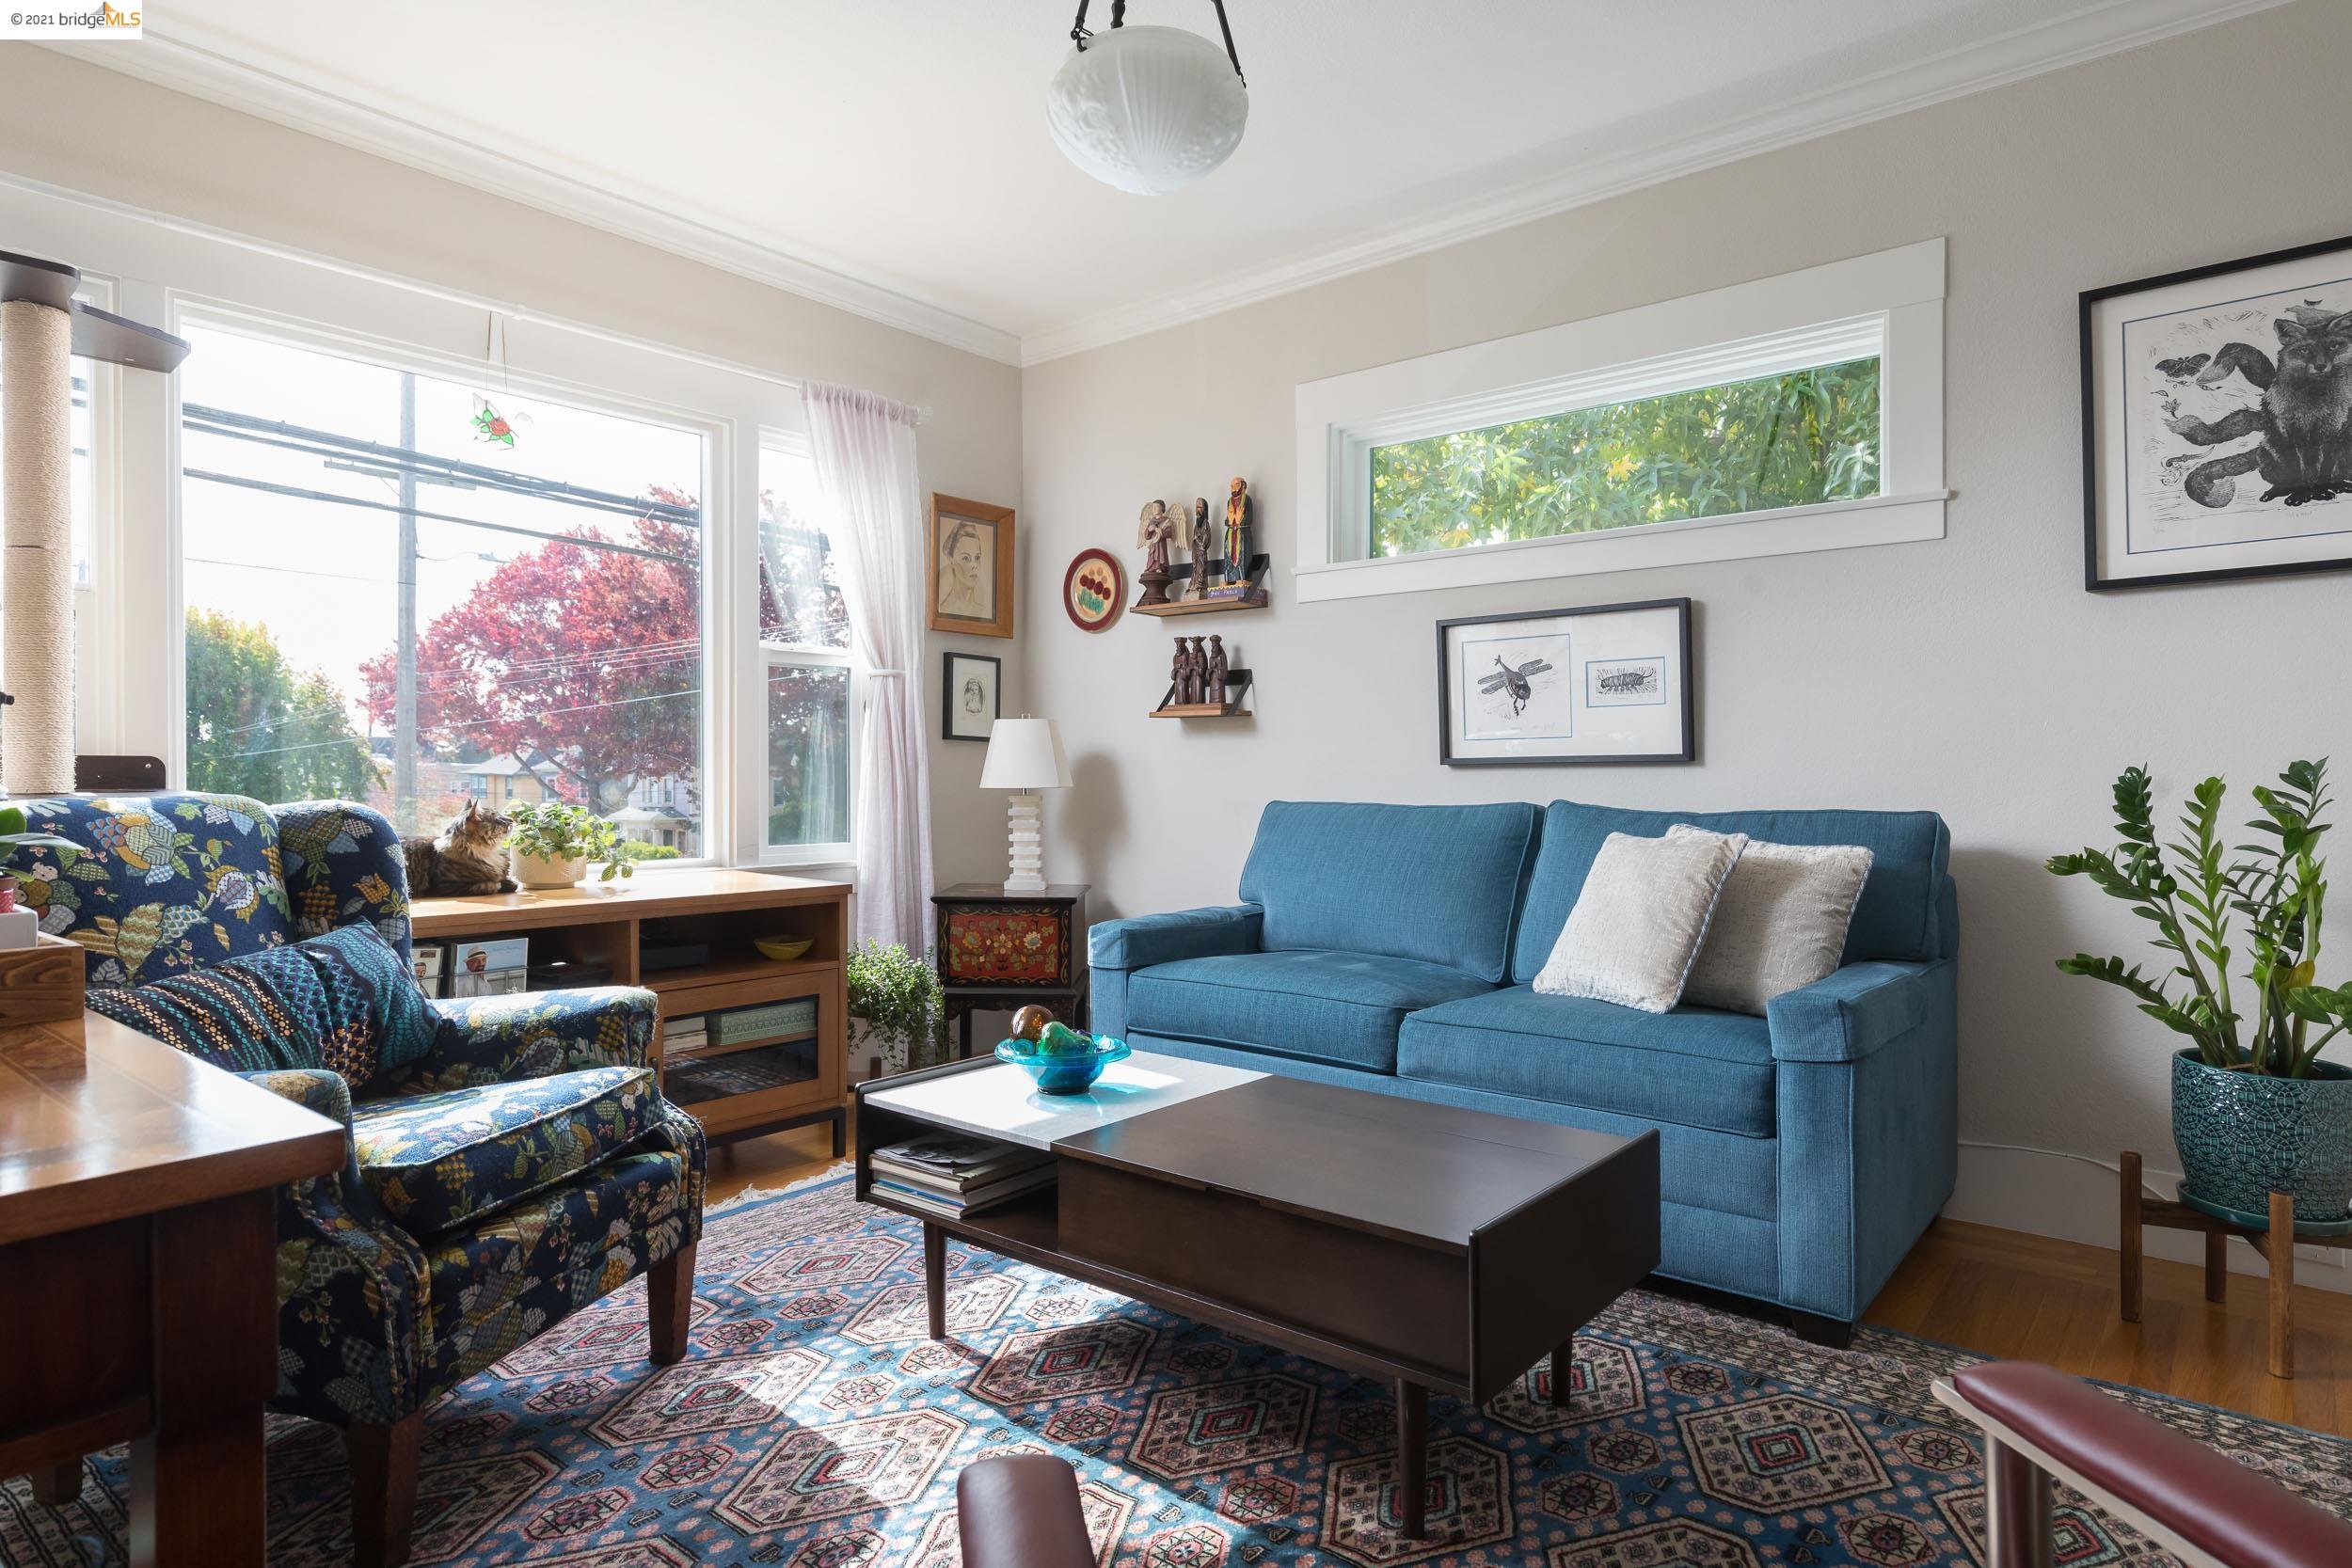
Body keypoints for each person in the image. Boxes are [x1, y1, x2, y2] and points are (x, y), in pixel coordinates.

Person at [937, 520, 992, 620]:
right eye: (966, 558)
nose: (974, 565)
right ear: (951, 559)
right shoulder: (943, 609)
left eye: (977, 558)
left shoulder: (983, 610)